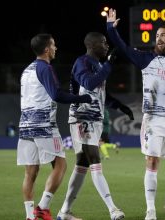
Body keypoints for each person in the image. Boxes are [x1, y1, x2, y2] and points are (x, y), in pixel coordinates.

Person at [106, 8, 165, 220]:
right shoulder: (146, 59)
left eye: (162, 34)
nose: (158, 38)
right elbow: (123, 48)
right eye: (156, 36)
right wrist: (111, 28)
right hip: (153, 118)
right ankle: (150, 209)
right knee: (152, 162)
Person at [57, 32, 133, 220]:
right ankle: (113, 209)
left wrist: (121, 106)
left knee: (82, 164)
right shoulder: (82, 62)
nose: (106, 46)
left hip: (95, 119)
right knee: (94, 158)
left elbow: (100, 94)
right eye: (103, 43)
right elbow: (89, 83)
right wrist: (109, 64)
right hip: (82, 116)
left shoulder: (98, 65)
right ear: (92, 45)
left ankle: (64, 211)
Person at [17, 33, 92, 220]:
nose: (56, 48)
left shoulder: (26, 70)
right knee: (61, 164)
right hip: (44, 125)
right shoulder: (45, 68)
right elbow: (57, 95)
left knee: (30, 172)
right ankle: (43, 207)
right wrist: (83, 98)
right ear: (46, 49)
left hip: (25, 125)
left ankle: (29, 216)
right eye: (54, 45)